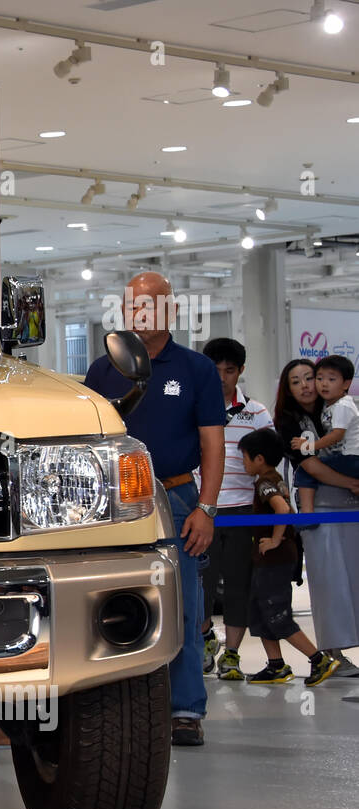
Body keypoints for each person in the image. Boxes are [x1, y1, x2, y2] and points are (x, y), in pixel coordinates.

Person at [83, 271, 224, 747]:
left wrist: (206, 507)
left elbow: (213, 442)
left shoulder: (196, 369)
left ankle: (185, 708)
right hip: (116, 501)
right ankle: (111, 708)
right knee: (112, 603)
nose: (138, 313)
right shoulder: (103, 370)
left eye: (149, 305)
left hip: (178, 497)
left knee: (183, 604)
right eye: (131, 305)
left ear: (172, 311)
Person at [274, 358, 359, 678]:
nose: (307, 386)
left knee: (353, 579)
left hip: (351, 504)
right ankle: (332, 655)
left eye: (310, 378)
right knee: (329, 582)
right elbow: (309, 467)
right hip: (321, 505)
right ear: (288, 389)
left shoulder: (337, 410)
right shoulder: (288, 422)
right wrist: (350, 483)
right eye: (296, 381)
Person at [236, 428, 339, 686]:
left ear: (259, 459)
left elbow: (282, 510)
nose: (243, 463)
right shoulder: (275, 477)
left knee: (276, 613)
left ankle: (318, 659)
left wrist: (275, 539)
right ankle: (276, 665)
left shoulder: (265, 483)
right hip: (272, 560)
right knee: (259, 611)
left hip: (275, 560)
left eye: (245, 457)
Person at [196, 338, 272, 682]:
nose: (223, 377)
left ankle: (232, 654)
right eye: (216, 370)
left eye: (230, 370)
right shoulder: (193, 408)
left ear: (241, 371)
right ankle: (205, 638)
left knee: (240, 586)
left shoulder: (256, 413)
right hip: (202, 512)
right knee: (200, 587)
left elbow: (270, 464)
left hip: (243, 512)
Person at [291, 355, 359, 514]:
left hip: (350, 457)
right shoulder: (331, 406)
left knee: (305, 470)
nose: (324, 384)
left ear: (346, 384)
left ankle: (307, 515)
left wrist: (309, 445)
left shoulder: (343, 405)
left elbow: (337, 435)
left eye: (331, 379)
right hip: (348, 457)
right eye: (320, 378)